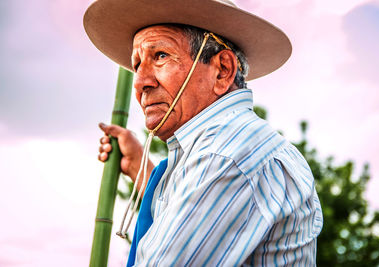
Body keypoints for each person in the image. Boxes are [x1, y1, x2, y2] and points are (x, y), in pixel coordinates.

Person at [84, 0, 323, 266]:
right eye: (138, 64)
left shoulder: (225, 155)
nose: (140, 82)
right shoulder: (226, 148)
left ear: (222, 70)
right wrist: (138, 166)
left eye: (161, 55)